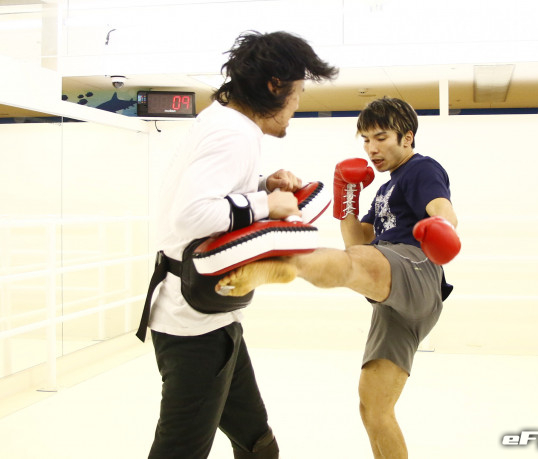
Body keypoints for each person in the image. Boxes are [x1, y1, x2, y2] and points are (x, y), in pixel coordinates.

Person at [216, 97, 460, 459]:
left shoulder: (422, 169)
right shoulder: (385, 189)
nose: (371, 149)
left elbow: (442, 209)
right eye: (365, 140)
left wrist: (442, 228)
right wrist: (346, 195)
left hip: (415, 269)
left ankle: (285, 262)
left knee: (355, 263)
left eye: (381, 138)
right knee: (373, 407)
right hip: (393, 300)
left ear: (407, 138)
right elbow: (356, 243)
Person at [136, 31, 338, 459]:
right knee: (180, 451)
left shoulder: (223, 121)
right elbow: (190, 214)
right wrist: (267, 204)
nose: (297, 105)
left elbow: (211, 194)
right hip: (194, 328)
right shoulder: (234, 133)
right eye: (298, 94)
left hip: (212, 317)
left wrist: (264, 185)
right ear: (275, 86)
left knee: (257, 443)